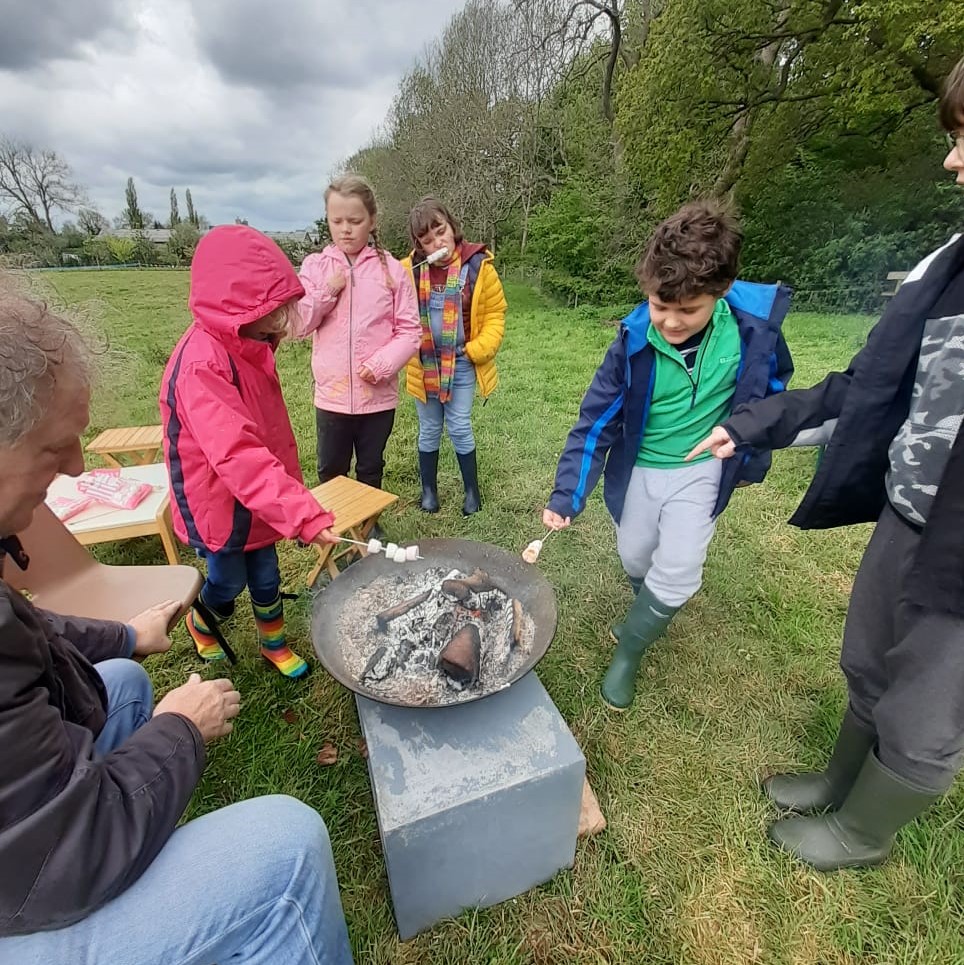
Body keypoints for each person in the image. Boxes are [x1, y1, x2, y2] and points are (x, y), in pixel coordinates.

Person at [0, 276, 353, 963]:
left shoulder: (249, 354)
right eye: (52, 448)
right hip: (25, 906)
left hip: (30, 843)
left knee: (124, 678)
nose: (77, 466)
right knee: (290, 845)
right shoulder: (203, 363)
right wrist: (181, 729)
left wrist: (127, 634)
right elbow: (63, 843)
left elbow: (27, 634)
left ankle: (168, 872)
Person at [687, 59, 964, 872]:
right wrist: (759, 423)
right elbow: (867, 386)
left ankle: (864, 832)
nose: (952, 160)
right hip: (910, 510)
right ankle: (843, 780)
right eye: (955, 136)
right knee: (871, 652)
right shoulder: (948, 270)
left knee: (930, 696)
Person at [544, 201, 793, 710]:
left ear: (719, 294)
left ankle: (629, 651)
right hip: (642, 468)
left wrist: (751, 458)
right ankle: (646, 603)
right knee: (634, 553)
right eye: (660, 306)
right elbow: (594, 422)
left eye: (687, 310)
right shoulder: (633, 342)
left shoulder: (755, 327)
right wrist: (569, 492)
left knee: (679, 565)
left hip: (703, 467)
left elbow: (771, 393)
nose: (671, 321)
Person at [160, 225, 339, 678]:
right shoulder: (203, 363)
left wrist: (287, 501)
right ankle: (202, 621)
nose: (281, 319)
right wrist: (302, 513)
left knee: (265, 573)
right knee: (228, 578)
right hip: (218, 498)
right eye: (273, 309)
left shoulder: (249, 343)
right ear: (240, 306)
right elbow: (236, 453)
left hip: (259, 494)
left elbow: (262, 437)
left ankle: (273, 643)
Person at [295, 174, 420, 500]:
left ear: (372, 220)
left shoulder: (392, 271)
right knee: (331, 467)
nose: (345, 229)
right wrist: (328, 291)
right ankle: (333, 524)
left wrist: (381, 364)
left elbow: (409, 331)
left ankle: (368, 526)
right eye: (336, 220)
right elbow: (298, 324)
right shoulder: (315, 268)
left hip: (376, 398)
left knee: (370, 467)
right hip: (332, 396)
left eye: (355, 220)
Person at [402, 197, 507, 515]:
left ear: (452, 226)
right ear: (419, 245)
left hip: (462, 362)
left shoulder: (479, 266)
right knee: (430, 428)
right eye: (428, 238)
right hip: (425, 364)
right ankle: (429, 491)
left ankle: (472, 492)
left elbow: (495, 316)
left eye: (441, 231)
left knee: (459, 426)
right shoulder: (409, 271)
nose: (438, 241)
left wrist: (476, 350)